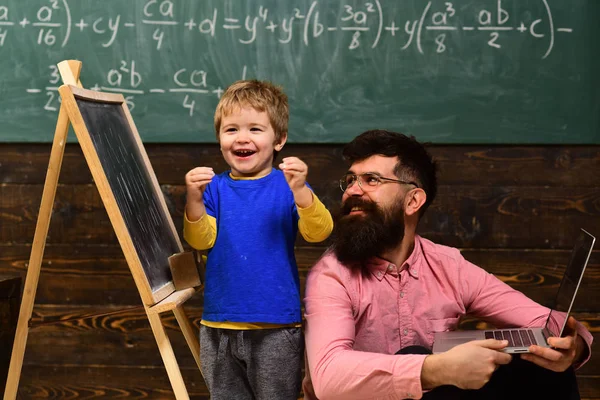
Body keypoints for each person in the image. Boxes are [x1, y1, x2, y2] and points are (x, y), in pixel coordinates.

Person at [303, 129, 593, 400]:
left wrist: (573, 346)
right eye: (351, 179)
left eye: (372, 180)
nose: (352, 190)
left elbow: (545, 322)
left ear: (413, 201)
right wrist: (435, 368)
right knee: (416, 356)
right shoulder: (332, 274)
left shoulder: (449, 266)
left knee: (543, 365)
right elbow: (327, 375)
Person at [183, 79, 333, 399]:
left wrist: (302, 193)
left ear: (279, 139)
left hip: (277, 327)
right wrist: (194, 200)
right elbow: (201, 241)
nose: (242, 138)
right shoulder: (214, 188)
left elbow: (319, 232)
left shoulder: (289, 186)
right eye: (231, 129)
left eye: (255, 129)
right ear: (220, 138)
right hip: (219, 324)